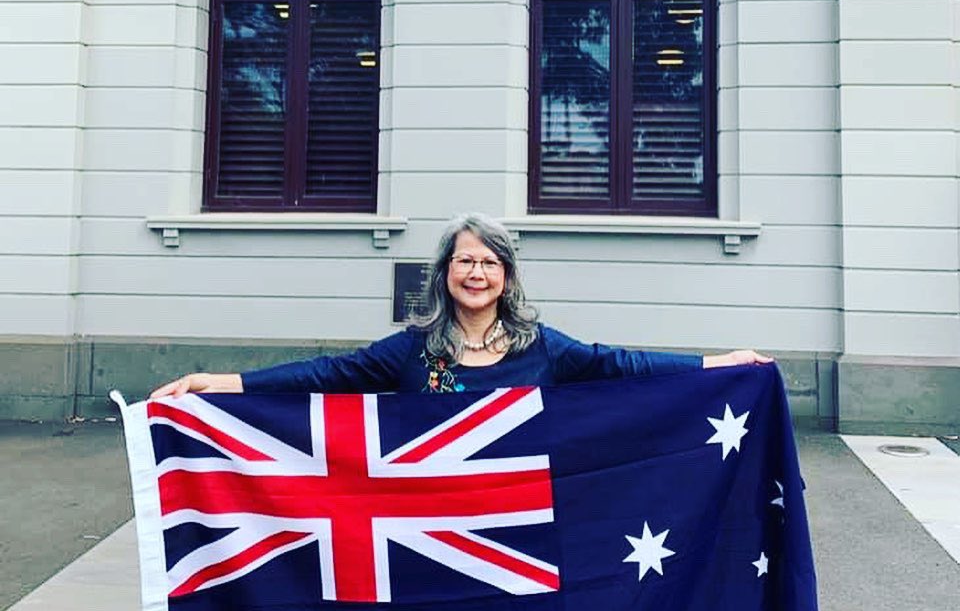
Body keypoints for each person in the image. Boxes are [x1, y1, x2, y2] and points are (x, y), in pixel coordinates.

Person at [151, 213, 771, 399]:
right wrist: (217, 382)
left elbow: (621, 365)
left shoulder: (542, 348)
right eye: (465, 261)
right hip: (430, 530)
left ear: (507, 278)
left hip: (517, 527)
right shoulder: (412, 351)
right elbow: (323, 375)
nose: (477, 273)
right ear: (445, 273)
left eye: (490, 263)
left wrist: (720, 364)